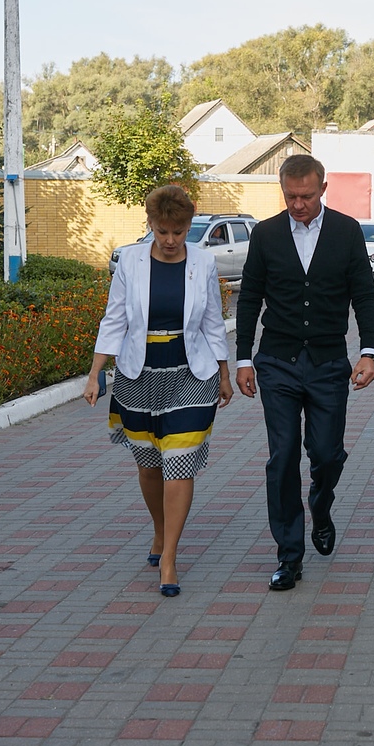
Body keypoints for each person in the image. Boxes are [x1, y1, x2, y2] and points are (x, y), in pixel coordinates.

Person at [235, 154, 374, 591]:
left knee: (327, 454)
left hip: (328, 362)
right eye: (291, 196)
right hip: (277, 361)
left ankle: (321, 502)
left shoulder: (346, 231)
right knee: (282, 457)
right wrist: (243, 358)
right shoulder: (266, 234)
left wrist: (369, 351)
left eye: (306, 196)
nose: (298, 204)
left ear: (323, 189)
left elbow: (364, 293)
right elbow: (250, 297)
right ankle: (289, 555)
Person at [85, 184, 234, 599]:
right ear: (150, 223)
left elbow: (212, 321)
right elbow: (114, 319)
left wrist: (223, 372)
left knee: (179, 464)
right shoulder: (130, 261)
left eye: (178, 232)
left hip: (191, 375)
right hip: (138, 375)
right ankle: (159, 529)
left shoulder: (203, 262)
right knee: (150, 466)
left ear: (189, 225)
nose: (170, 240)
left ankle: (169, 557)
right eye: (162, 231)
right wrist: (95, 373)